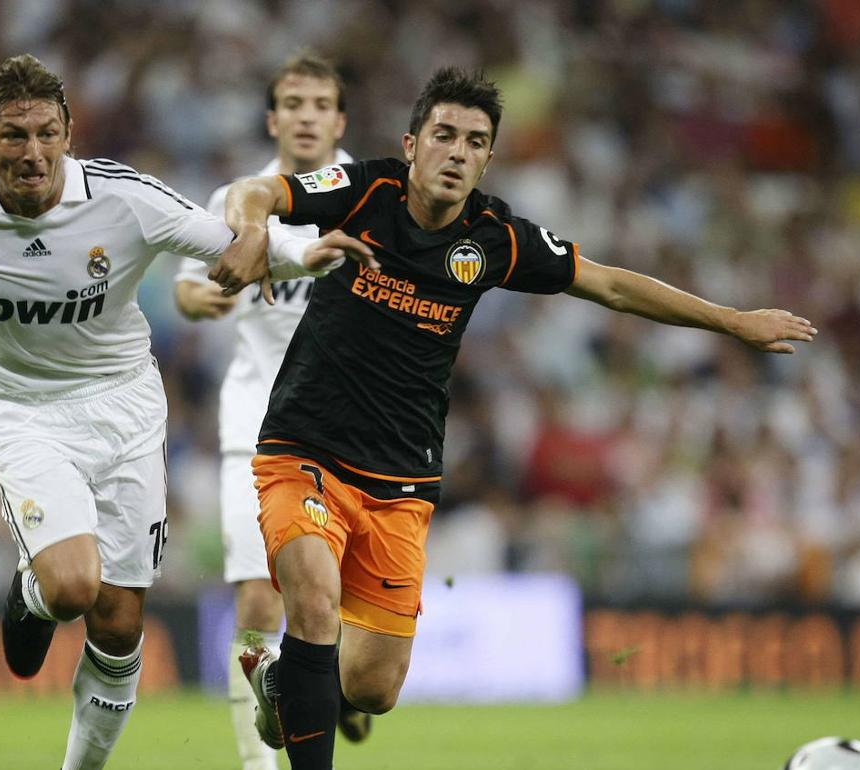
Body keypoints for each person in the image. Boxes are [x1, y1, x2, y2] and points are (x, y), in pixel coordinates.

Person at [210, 67, 817, 770]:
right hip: (304, 447)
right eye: (443, 135)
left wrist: (733, 321)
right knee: (313, 604)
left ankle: (286, 681)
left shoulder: (494, 237)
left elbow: (613, 286)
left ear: (488, 159)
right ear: (412, 144)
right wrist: (253, 228)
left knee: (371, 689)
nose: (457, 152)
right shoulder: (362, 190)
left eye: (475, 141)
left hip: (401, 479)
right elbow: (256, 191)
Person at [0, 54, 369, 770]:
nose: (32, 152)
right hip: (23, 410)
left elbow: (233, 243)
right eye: (13, 136)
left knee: (121, 624)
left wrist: (305, 252)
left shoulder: (122, 198)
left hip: (126, 407)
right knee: (72, 585)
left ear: (68, 134)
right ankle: (33, 593)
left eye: (47, 133)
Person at [172, 53, 369, 770]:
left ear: (339, 120)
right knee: (260, 600)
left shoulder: (372, 196)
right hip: (258, 423)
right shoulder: (238, 197)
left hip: (353, 428)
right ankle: (259, 763)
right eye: (294, 102)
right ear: (273, 118)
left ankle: (322, 686)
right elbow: (188, 289)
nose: (307, 115)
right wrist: (204, 297)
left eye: (321, 103)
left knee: (332, 615)